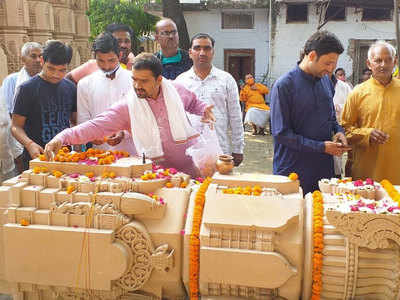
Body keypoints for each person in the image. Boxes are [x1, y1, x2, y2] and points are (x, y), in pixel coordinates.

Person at [44, 53, 215, 177]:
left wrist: (204, 110)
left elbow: (193, 103)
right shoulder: (127, 106)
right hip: (155, 176)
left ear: (159, 80)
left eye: (144, 81)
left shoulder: (176, 90)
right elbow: (96, 126)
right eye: (134, 79)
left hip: (191, 170)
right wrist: (62, 137)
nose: (137, 86)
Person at [270, 31, 349, 195]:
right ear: (312, 55)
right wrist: (321, 147)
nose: (330, 70)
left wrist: (339, 131)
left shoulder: (326, 80)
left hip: (323, 170)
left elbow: (331, 116)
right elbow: (281, 133)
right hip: (293, 170)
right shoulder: (284, 85)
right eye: (327, 64)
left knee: (320, 216)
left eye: (333, 65)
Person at [176, 33, 244, 166]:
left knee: (220, 186)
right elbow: (176, 118)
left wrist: (238, 149)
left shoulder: (226, 80)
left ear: (213, 52)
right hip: (190, 151)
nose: (202, 52)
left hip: (220, 149)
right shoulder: (181, 81)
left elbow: (236, 116)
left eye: (207, 48)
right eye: (197, 48)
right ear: (190, 53)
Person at [12, 40, 77, 170]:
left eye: (62, 70)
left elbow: (74, 121)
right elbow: (15, 127)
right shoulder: (27, 89)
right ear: (42, 61)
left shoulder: (71, 87)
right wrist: (30, 144)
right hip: (36, 157)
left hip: (64, 157)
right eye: (51, 68)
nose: (56, 74)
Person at [341, 41, 400, 183]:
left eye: (388, 60)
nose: (383, 65)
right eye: (378, 60)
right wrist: (367, 134)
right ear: (369, 64)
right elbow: (344, 131)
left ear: (395, 62)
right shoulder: (358, 92)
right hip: (366, 171)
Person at [77, 32, 136, 155]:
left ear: (119, 55)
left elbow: (141, 116)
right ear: (94, 57)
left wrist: (124, 133)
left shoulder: (134, 81)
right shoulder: (85, 84)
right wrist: (92, 135)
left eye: (111, 60)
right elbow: (83, 119)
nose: (107, 66)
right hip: (99, 156)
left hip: (132, 152)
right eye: (101, 61)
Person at [0, 42, 43, 173]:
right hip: (21, 140)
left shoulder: (47, 80)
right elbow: (8, 117)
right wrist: (17, 150)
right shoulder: (12, 81)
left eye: (40, 56)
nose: (37, 60)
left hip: (43, 136)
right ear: (23, 59)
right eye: (33, 56)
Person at [66, 24, 135, 84]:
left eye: (127, 41)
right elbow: (66, 81)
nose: (123, 45)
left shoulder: (137, 65)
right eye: (118, 41)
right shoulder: (92, 66)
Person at [330, 72, 352, 177]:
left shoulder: (344, 88)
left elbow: (351, 115)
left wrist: (340, 131)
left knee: (335, 174)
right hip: (313, 150)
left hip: (338, 139)